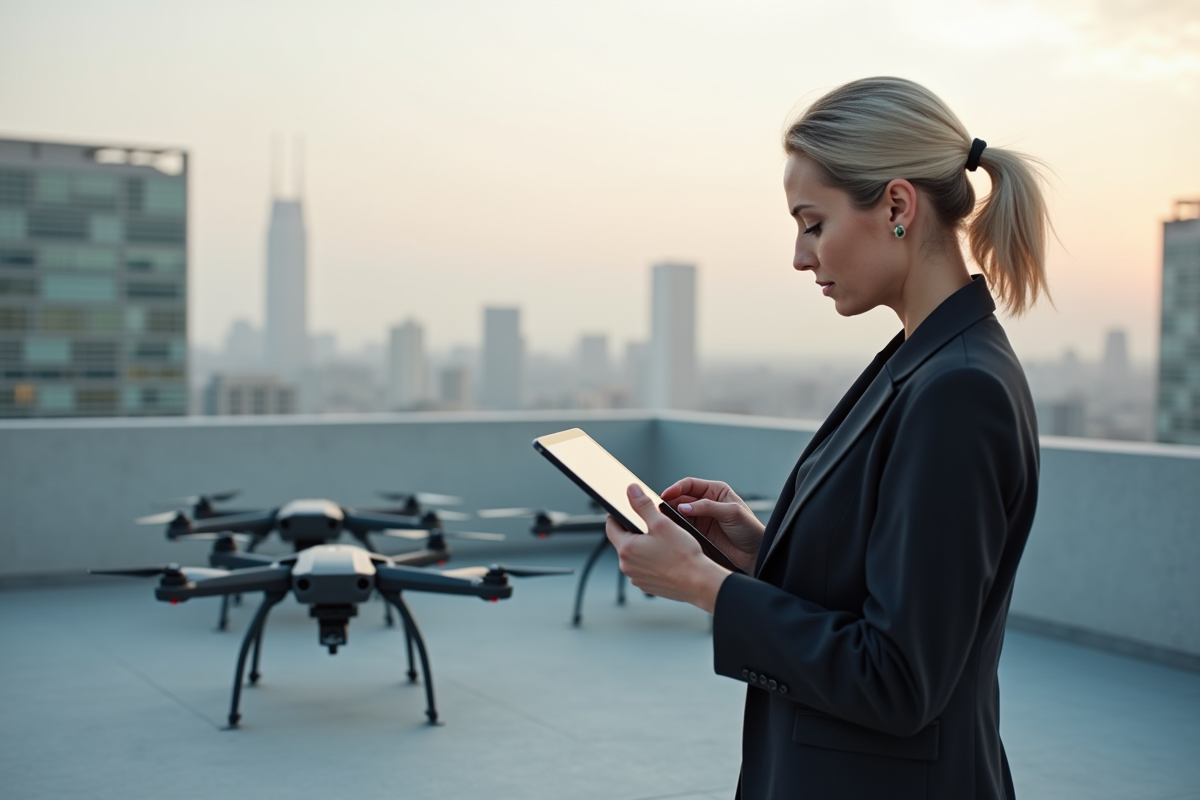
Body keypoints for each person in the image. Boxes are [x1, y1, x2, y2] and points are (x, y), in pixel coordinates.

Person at [606, 76, 1048, 800]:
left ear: (897, 206)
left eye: (813, 224)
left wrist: (703, 584)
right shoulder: (923, 362)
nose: (799, 256)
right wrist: (760, 552)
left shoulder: (958, 390)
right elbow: (888, 582)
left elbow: (898, 680)